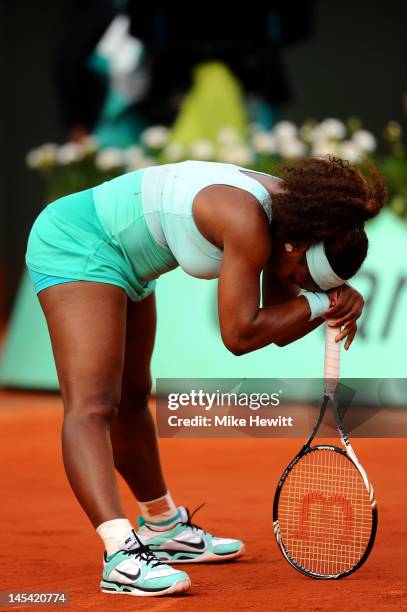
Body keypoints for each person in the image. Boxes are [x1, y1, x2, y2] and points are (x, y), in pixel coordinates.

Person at [25, 156, 386, 597]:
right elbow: (240, 334)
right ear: (295, 246)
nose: (298, 285)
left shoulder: (292, 226)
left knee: (135, 398)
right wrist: (318, 304)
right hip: (78, 240)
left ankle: (162, 526)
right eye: (302, 277)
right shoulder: (247, 221)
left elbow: (278, 330)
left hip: (130, 264)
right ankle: (118, 553)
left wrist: (328, 299)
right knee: (94, 404)